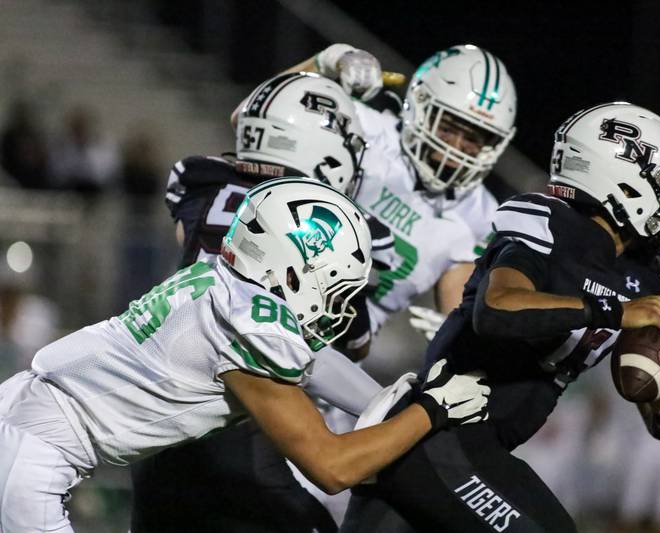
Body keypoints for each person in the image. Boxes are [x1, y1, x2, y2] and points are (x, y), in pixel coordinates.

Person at [0, 178, 491, 533]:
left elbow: (313, 363)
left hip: (22, 423)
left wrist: (395, 398)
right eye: (337, 289)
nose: (343, 308)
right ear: (293, 272)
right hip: (31, 454)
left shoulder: (227, 280)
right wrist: (433, 409)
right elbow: (333, 467)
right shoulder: (252, 326)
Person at [339, 102, 660, 533]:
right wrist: (613, 311)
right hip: (435, 434)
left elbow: (634, 379)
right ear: (623, 181)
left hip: (472, 450)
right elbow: (496, 309)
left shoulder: (640, 276)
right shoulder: (549, 224)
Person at [130, 72, 391, 533]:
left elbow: (249, 114)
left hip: (157, 429)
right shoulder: (317, 224)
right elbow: (351, 342)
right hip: (239, 428)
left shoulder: (204, 184)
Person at [235, 43, 518, 356]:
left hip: (342, 351)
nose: (456, 149)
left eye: (474, 138)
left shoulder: (481, 216)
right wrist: (325, 61)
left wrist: (460, 339)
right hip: (266, 308)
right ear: (420, 107)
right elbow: (247, 120)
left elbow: (457, 309)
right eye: (448, 127)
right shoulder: (366, 129)